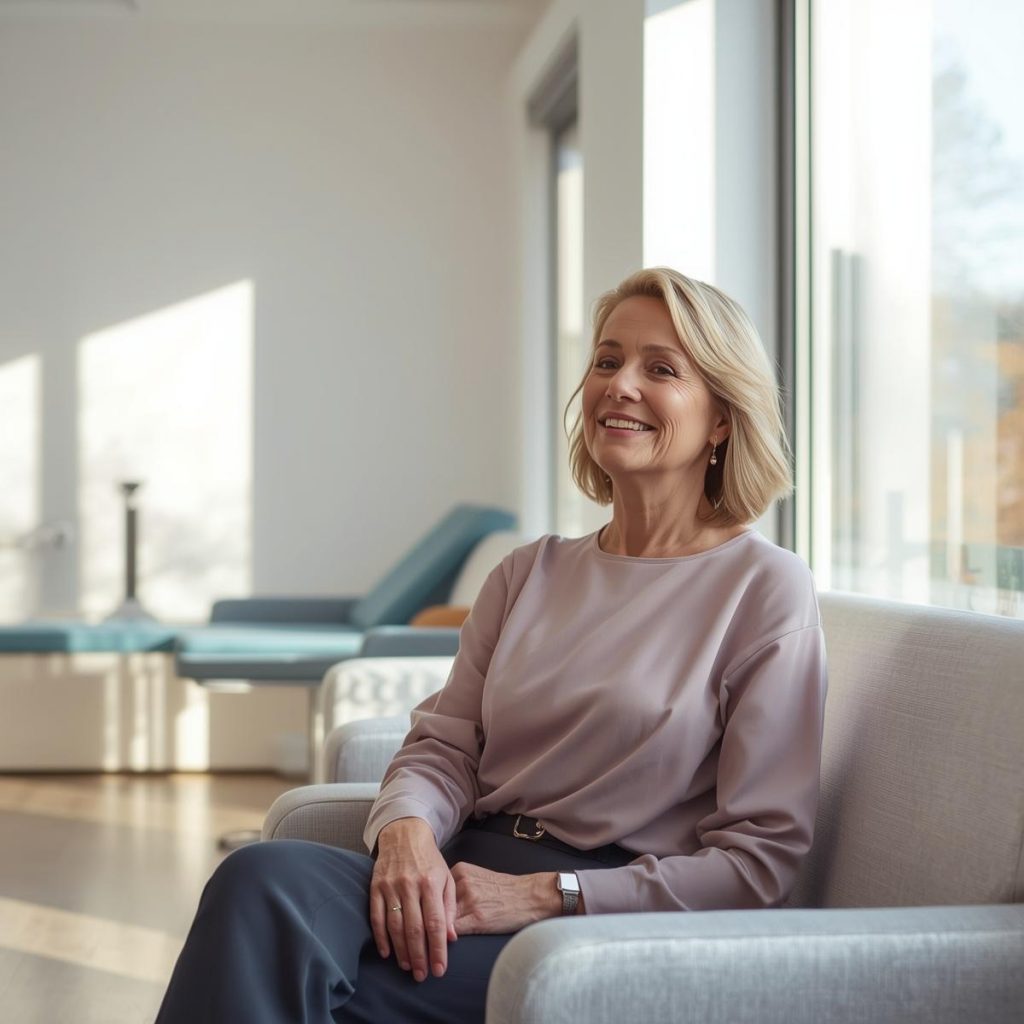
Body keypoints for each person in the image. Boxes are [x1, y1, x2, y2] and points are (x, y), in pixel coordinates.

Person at [155, 267, 828, 1023]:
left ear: (722, 420)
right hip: (460, 867)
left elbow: (759, 863)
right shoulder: (528, 572)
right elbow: (443, 747)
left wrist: (547, 895)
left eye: (661, 369)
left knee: (307, 985)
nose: (620, 385)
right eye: (607, 361)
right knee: (258, 881)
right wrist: (406, 832)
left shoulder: (764, 588)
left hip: (594, 921)